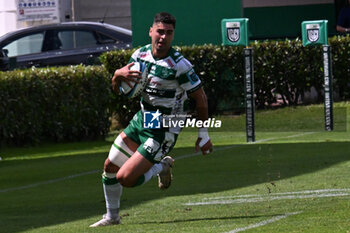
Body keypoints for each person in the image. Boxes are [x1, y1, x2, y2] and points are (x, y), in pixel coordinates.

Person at [90, 12, 213, 227]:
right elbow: (121, 90)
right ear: (151, 31)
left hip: (164, 128)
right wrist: (117, 75)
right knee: (110, 167)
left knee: (125, 178)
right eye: (160, 31)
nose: (163, 37)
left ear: (173, 35)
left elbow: (200, 98)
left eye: (169, 33)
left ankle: (161, 166)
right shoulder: (139, 56)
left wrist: (203, 134)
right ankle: (112, 217)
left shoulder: (179, 65)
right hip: (143, 120)